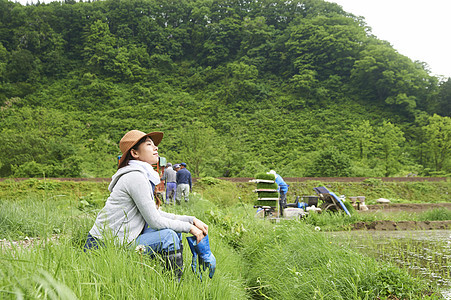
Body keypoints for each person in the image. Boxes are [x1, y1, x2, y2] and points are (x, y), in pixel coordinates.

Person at [84, 130, 208, 281]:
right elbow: (154, 221)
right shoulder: (135, 177)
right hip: (103, 246)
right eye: (149, 144)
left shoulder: (141, 174)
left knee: (174, 231)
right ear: (135, 153)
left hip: (121, 238)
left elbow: (155, 213)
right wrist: (190, 228)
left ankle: (161, 279)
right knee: (169, 236)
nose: (155, 147)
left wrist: (190, 220)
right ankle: (174, 286)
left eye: (155, 144)